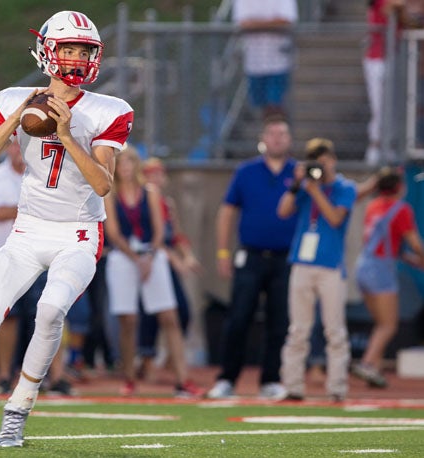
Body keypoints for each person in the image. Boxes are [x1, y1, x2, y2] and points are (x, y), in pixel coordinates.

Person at [0, 10, 133, 448]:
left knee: (51, 312)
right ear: (48, 52)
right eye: (68, 49)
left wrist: (70, 136)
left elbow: (103, 184)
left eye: (84, 50)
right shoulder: (15, 98)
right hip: (27, 230)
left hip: (77, 234)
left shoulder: (109, 110)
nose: (76, 58)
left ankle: (17, 409)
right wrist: (16, 119)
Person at [207, 116, 296, 400]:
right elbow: (227, 211)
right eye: (272, 133)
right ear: (263, 138)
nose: (277, 138)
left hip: (286, 258)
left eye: (282, 133)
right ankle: (227, 378)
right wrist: (223, 252)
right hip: (251, 255)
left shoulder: (299, 173)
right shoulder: (246, 171)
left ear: (290, 139)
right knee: (239, 317)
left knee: (279, 321)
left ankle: (272, 378)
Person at [104, 145, 202, 398]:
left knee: (169, 315)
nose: (126, 168)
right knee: (128, 320)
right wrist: (135, 258)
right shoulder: (110, 195)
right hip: (124, 256)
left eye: (130, 162)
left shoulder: (150, 192)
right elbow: (113, 233)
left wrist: (147, 256)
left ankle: (183, 379)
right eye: (122, 163)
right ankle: (129, 377)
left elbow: (160, 231)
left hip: (151, 254)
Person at [278, 137, 357, 402]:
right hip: (302, 262)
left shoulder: (345, 187)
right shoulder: (305, 186)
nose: (320, 168)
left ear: (332, 160)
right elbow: (283, 211)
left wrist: (315, 190)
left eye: (324, 162)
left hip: (330, 266)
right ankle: (293, 386)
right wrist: (298, 184)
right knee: (298, 329)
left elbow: (335, 218)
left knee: (334, 330)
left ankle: (336, 387)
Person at [352, 166, 424, 387]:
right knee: (388, 325)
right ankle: (367, 364)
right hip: (380, 270)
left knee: (380, 323)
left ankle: (375, 369)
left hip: (364, 265)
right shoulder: (401, 209)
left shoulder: (373, 206)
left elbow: (388, 244)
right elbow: (414, 243)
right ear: (399, 187)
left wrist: (410, 259)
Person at [136, 157, 201, 381]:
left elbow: (176, 234)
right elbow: (156, 238)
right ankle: (146, 360)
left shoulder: (166, 202)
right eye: (151, 173)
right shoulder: (142, 200)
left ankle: (172, 359)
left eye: (159, 174)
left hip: (166, 261)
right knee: (150, 314)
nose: (155, 178)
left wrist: (188, 257)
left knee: (181, 310)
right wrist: (175, 260)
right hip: (151, 260)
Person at [0, 139, 38, 395]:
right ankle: (4, 374)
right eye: (15, 145)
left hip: (39, 254)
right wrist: (32, 208)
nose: (19, 150)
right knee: (7, 318)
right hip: (6, 255)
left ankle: (48, 376)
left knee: (49, 315)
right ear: (7, 148)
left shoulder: (42, 171)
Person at [233, 0, 299, 120]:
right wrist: (271, 23)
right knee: (260, 106)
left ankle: (277, 133)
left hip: (278, 61)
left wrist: (256, 24)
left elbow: (286, 20)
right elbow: (242, 23)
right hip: (254, 62)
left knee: (275, 105)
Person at [363, 0, 407, 165]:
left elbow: (405, 17)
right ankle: (375, 147)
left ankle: (389, 147)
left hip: (391, 57)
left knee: (393, 105)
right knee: (379, 106)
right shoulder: (379, 2)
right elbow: (394, 7)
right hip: (376, 59)